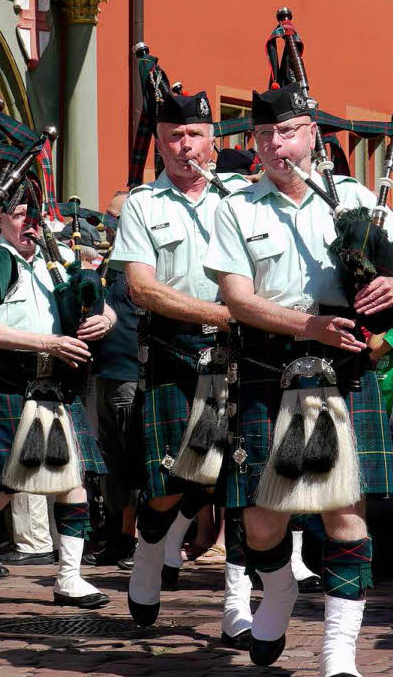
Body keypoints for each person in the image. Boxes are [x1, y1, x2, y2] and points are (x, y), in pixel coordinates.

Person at [205, 83, 393, 675]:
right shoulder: (238, 207)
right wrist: (311, 323)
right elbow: (237, 299)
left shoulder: (354, 197)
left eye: (286, 132)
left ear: (311, 133)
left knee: (345, 514)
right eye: (263, 135)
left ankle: (337, 656)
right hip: (268, 367)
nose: (275, 145)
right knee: (261, 520)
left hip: (345, 369)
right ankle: (276, 590)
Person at [112, 90, 252, 643]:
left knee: (244, 480)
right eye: (173, 137)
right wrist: (226, 310)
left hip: (244, 351)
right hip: (174, 349)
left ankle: (237, 605)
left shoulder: (241, 197)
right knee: (174, 479)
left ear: (212, 141)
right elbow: (142, 289)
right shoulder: (146, 204)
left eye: (194, 135)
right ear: (161, 146)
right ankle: (150, 552)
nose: (184, 146)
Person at [0, 197, 114, 610]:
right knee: (3, 486)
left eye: (33, 215)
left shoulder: (66, 258)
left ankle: (69, 578)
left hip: (59, 381)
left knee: (73, 479)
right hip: (7, 380)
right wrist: (47, 342)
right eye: (18, 215)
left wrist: (105, 320)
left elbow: (101, 308)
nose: (28, 224)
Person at [90, 190, 140, 569]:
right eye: (106, 217)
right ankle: (115, 533)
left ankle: (130, 537)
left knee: (128, 461)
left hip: (128, 373)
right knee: (109, 461)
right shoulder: (111, 261)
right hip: (103, 372)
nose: (108, 224)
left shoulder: (136, 262)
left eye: (115, 217)